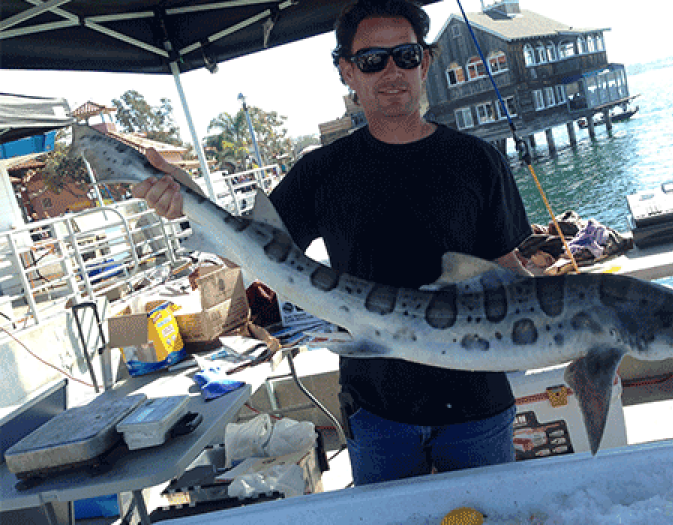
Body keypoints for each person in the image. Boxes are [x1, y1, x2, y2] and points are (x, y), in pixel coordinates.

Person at [134, 0, 533, 486]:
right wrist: (186, 200)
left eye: (405, 55)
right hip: (377, 409)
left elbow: (508, 270)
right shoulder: (322, 173)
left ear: (425, 61)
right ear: (347, 71)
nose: (391, 71)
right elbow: (248, 249)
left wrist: (579, 323)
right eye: (371, 60)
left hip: (479, 403)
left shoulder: (478, 160)